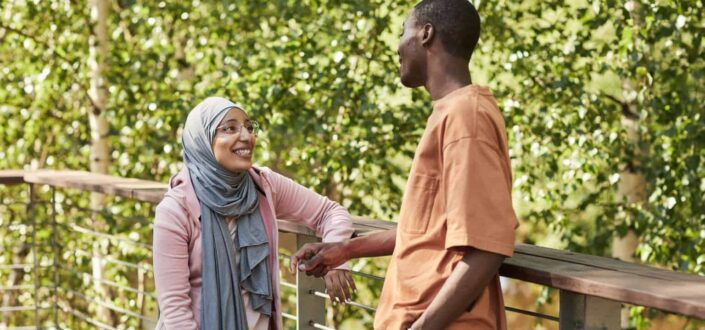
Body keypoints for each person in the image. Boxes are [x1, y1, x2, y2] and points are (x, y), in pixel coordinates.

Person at [291, 0, 518, 329]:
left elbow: (486, 248)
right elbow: (428, 230)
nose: (398, 47)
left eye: (402, 33)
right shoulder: (451, 113)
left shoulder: (467, 118)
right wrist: (344, 250)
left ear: (426, 34)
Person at [153, 97, 355, 329]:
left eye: (249, 127)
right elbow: (175, 310)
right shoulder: (175, 210)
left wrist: (336, 258)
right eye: (229, 128)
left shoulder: (263, 186)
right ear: (202, 140)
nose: (247, 136)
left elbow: (330, 212)